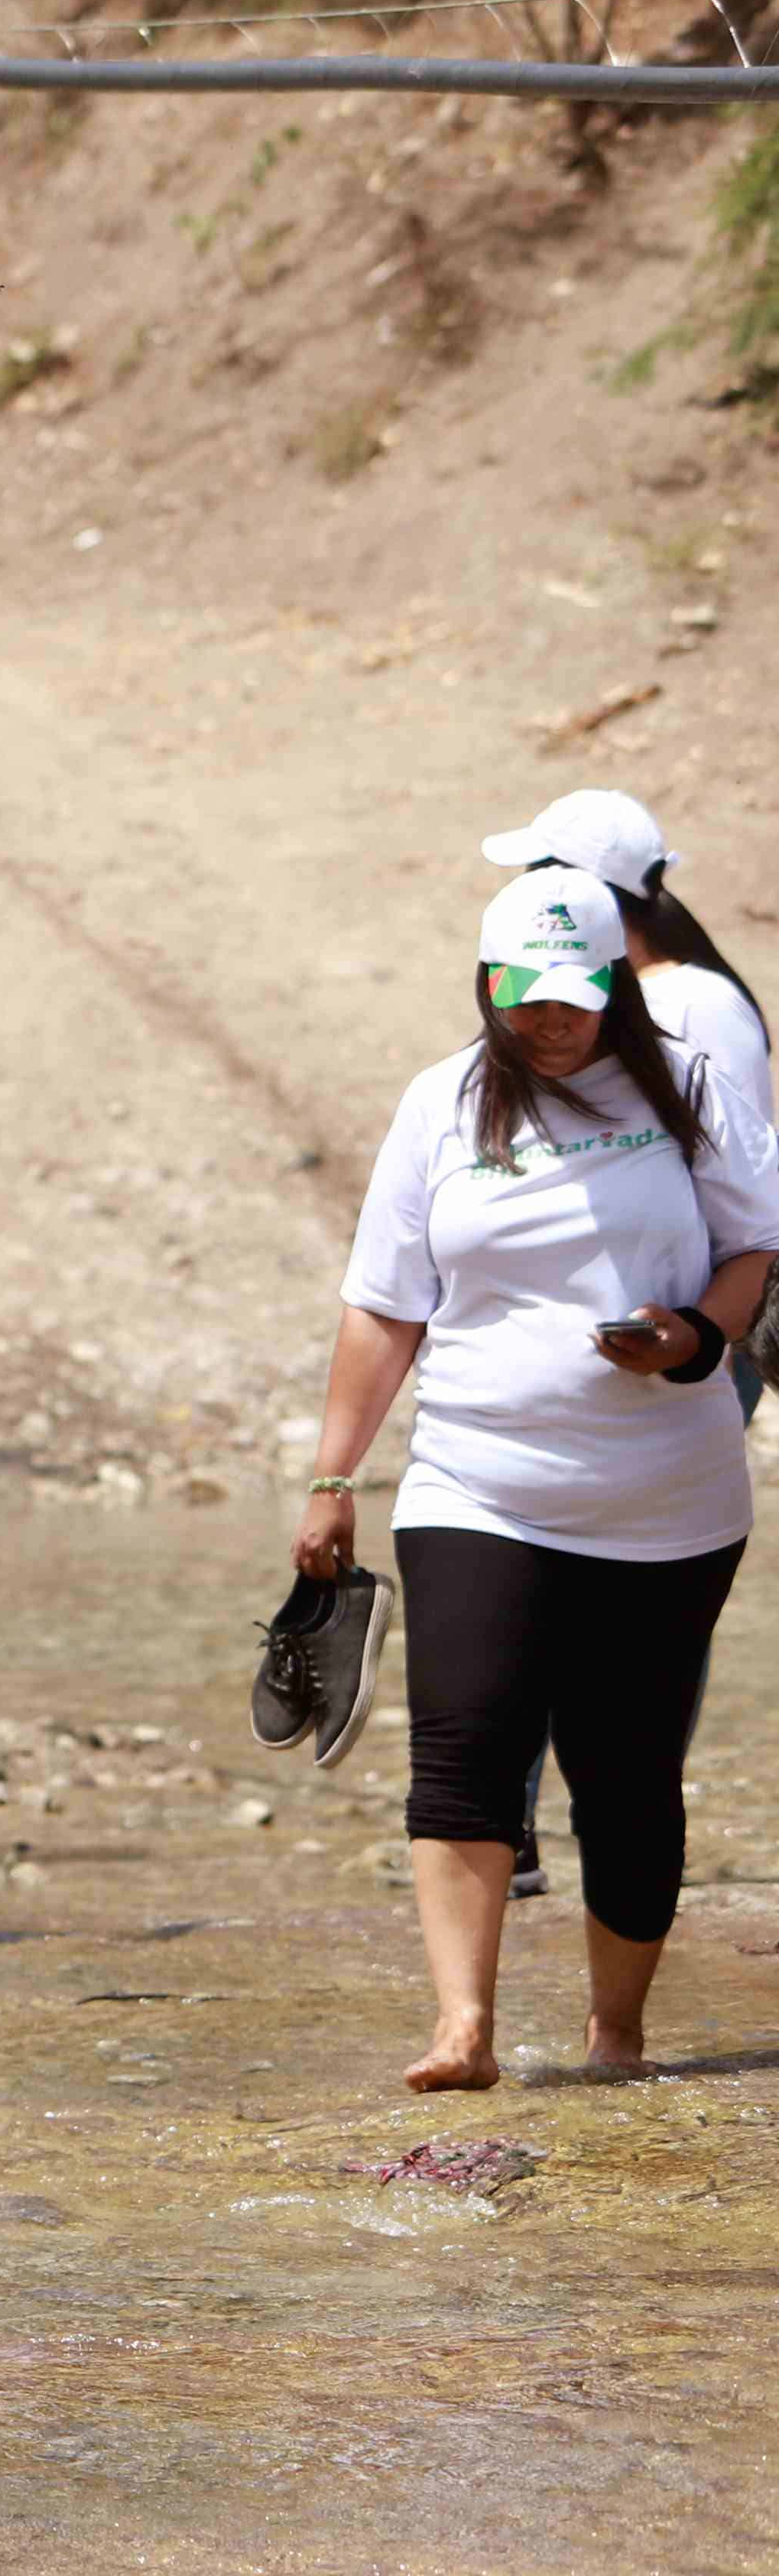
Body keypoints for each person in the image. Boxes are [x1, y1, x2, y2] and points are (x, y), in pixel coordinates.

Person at [296, 865, 779, 2090]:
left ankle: (616, 2033)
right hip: (477, 1482)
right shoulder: (441, 1104)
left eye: (573, 996)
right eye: (525, 998)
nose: (551, 1021)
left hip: (667, 1498)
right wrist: (332, 1475)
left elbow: (753, 1250)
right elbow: (383, 1306)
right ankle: (464, 2028)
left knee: (625, 1780)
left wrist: (694, 1340)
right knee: (462, 1747)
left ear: (614, 983)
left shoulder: (690, 1090)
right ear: (487, 985)